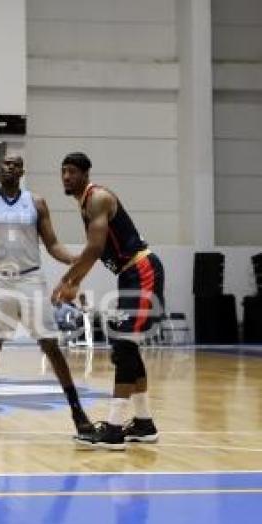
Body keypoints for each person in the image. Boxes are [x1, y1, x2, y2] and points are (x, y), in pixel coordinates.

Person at [0, 154, 92, 436]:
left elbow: (53, 245)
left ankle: (77, 410)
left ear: (22, 170)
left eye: (14, 165)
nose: (9, 168)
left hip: (31, 278)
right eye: (5, 164)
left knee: (51, 345)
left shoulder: (36, 202)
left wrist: (76, 259)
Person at [53, 152, 164, 450]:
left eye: (72, 171)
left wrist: (70, 281)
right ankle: (143, 423)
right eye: (63, 171)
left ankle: (114, 428)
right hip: (129, 276)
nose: (66, 177)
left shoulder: (97, 198)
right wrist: (72, 275)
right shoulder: (85, 204)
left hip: (142, 271)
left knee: (124, 347)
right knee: (127, 347)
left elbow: (94, 248)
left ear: (86, 174)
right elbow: (93, 251)